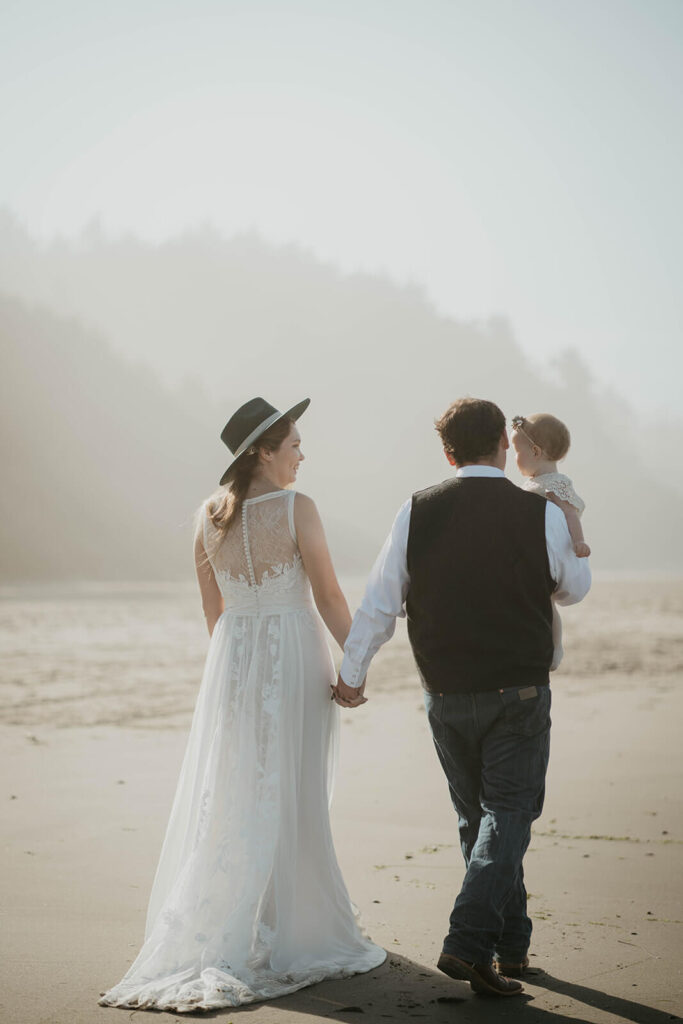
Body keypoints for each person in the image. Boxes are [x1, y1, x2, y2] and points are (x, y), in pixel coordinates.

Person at [99, 396, 385, 1013]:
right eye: (294, 445)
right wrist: (356, 664)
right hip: (296, 656)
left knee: (240, 789)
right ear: (264, 451)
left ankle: (249, 919)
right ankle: (291, 926)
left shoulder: (207, 516)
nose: (303, 455)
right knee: (295, 787)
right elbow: (332, 597)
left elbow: (215, 614)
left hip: (233, 663)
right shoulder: (296, 508)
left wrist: (238, 675)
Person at [332, 398, 591, 998]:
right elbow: (573, 589)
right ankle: (471, 941)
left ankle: (513, 945)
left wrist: (353, 672)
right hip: (519, 691)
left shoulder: (416, 510)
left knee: (482, 819)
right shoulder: (539, 512)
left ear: (447, 454)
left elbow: (379, 601)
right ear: (505, 442)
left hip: (445, 693)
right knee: (509, 814)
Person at [511, 413, 590, 671]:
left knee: (548, 602)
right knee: (541, 601)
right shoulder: (531, 484)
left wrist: (579, 541)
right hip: (532, 552)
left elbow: (570, 514)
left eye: (516, 451)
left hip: (549, 555)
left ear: (535, 451)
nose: (514, 458)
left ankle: (556, 646)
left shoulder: (555, 485)